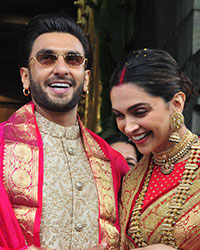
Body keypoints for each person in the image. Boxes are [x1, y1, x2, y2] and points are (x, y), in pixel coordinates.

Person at [0, 13, 129, 250]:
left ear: (86, 79)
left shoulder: (113, 163)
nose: (61, 69)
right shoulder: (1, 149)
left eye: (73, 60)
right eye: (46, 58)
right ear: (25, 77)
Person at [109, 48, 200, 250]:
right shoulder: (131, 181)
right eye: (120, 115)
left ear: (176, 103)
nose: (129, 127)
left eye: (139, 112)